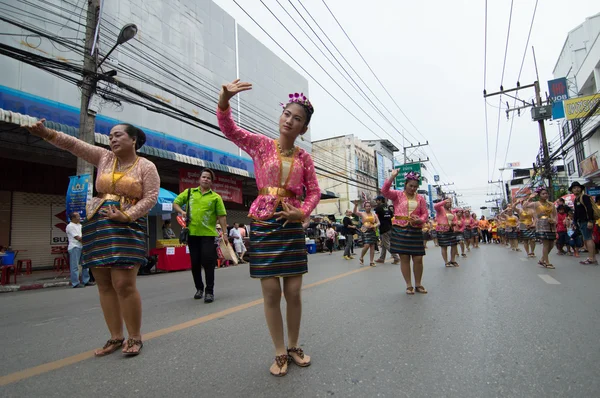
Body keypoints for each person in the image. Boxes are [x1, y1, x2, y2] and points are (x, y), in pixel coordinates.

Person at [24, 119, 160, 356]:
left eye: (118, 135)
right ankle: (116, 337)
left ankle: (134, 337)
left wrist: (126, 215)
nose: (113, 139)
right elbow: (74, 144)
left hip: (126, 226)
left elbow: (150, 198)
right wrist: (46, 133)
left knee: (123, 284)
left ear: (134, 140)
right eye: (110, 137)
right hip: (97, 223)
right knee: (104, 284)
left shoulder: (146, 166)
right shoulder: (104, 157)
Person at [217, 80, 320, 377]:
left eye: (297, 118)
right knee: (271, 292)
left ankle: (294, 345)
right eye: (287, 113)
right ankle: (279, 352)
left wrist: (302, 211)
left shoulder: (305, 158)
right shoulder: (261, 146)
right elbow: (230, 130)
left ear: (303, 129)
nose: (290, 120)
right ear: (281, 116)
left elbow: (314, 191)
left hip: (291, 225)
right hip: (263, 221)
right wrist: (224, 100)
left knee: (295, 292)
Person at [173, 169, 228, 303]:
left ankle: (210, 292)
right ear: (199, 179)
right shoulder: (190, 192)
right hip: (192, 234)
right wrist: (181, 212)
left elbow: (222, 216)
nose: (205, 179)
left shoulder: (216, 197)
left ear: (211, 182)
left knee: (208, 263)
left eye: (208, 178)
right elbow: (176, 203)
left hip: (208, 235)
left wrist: (225, 234)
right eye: (203, 177)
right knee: (195, 263)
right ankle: (199, 288)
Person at [381, 169, 429, 294]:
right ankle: (409, 285)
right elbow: (384, 191)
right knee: (405, 258)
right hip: (400, 229)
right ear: (405, 185)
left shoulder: (420, 199)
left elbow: (425, 214)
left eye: (415, 186)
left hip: (415, 229)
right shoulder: (397, 195)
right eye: (410, 186)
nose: (413, 188)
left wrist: (420, 220)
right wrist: (392, 177)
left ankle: (418, 284)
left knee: (418, 258)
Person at [525, 188, 557, 269]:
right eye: (543, 194)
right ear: (539, 195)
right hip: (542, 225)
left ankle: (542, 259)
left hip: (551, 226)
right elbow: (525, 206)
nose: (545, 195)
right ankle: (547, 262)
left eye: (546, 193)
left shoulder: (551, 204)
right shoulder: (536, 204)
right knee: (546, 244)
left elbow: (555, 215)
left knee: (552, 244)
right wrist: (530, 198)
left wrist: (554, 221)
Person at [570, 181, 598, 265]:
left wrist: (590, 220)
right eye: (574, 188)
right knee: (587, 239)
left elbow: (589, 209)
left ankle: (591, 258)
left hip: (586, 221)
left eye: (578, 187)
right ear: (572, 190)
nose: (576, 189)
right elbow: (576, 213)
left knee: (588, 239)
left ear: (581, 189)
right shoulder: (576, 199)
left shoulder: (584, 197)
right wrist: (574, 222)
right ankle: (592, 258)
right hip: (581, 222)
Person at [66, 212, 94, 288]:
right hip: (75, 247)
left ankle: (86, 280)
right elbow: (78, 238)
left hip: (82, 247)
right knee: (75, 266)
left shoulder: (80, 225)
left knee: (85, 264)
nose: (79, 218)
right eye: (78, 216)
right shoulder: (70, 226)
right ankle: (75, 283)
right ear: (73, 218)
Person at [353, 200, 380, 267]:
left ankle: (371, 261)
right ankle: (361, 256)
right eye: (367, 206)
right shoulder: (362, 213)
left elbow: (378, 222)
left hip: (372, 231)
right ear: (364, 207)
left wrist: (374, 225)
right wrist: (356, 205)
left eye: (369, 206)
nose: (368, 207)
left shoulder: (374, 214)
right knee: (367, 245)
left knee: (372, 246)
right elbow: (355, 212)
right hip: (365, 231)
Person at [374, 196, 400, 264]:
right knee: (383, 244)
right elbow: (391, 216)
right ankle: (382, 258)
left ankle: (396, 257)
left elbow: (375, 218)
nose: (376, 202)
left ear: (380, 200)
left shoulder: (378, 208)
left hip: (383, 228)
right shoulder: (388, 207)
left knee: (387, 244)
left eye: (377, 200)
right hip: (389, 227)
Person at [435, 198, 459, 267]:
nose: (449, 203)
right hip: (442, 230)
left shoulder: (451, 211)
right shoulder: (440, 209)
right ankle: (446, 262)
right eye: (448, 202)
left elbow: (455, 220)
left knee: (454, 245)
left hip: (451, 230)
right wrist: (444, 201)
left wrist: (454, 223)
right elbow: (435, 206)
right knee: (444, 246)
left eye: (450, 202)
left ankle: (453, 260)